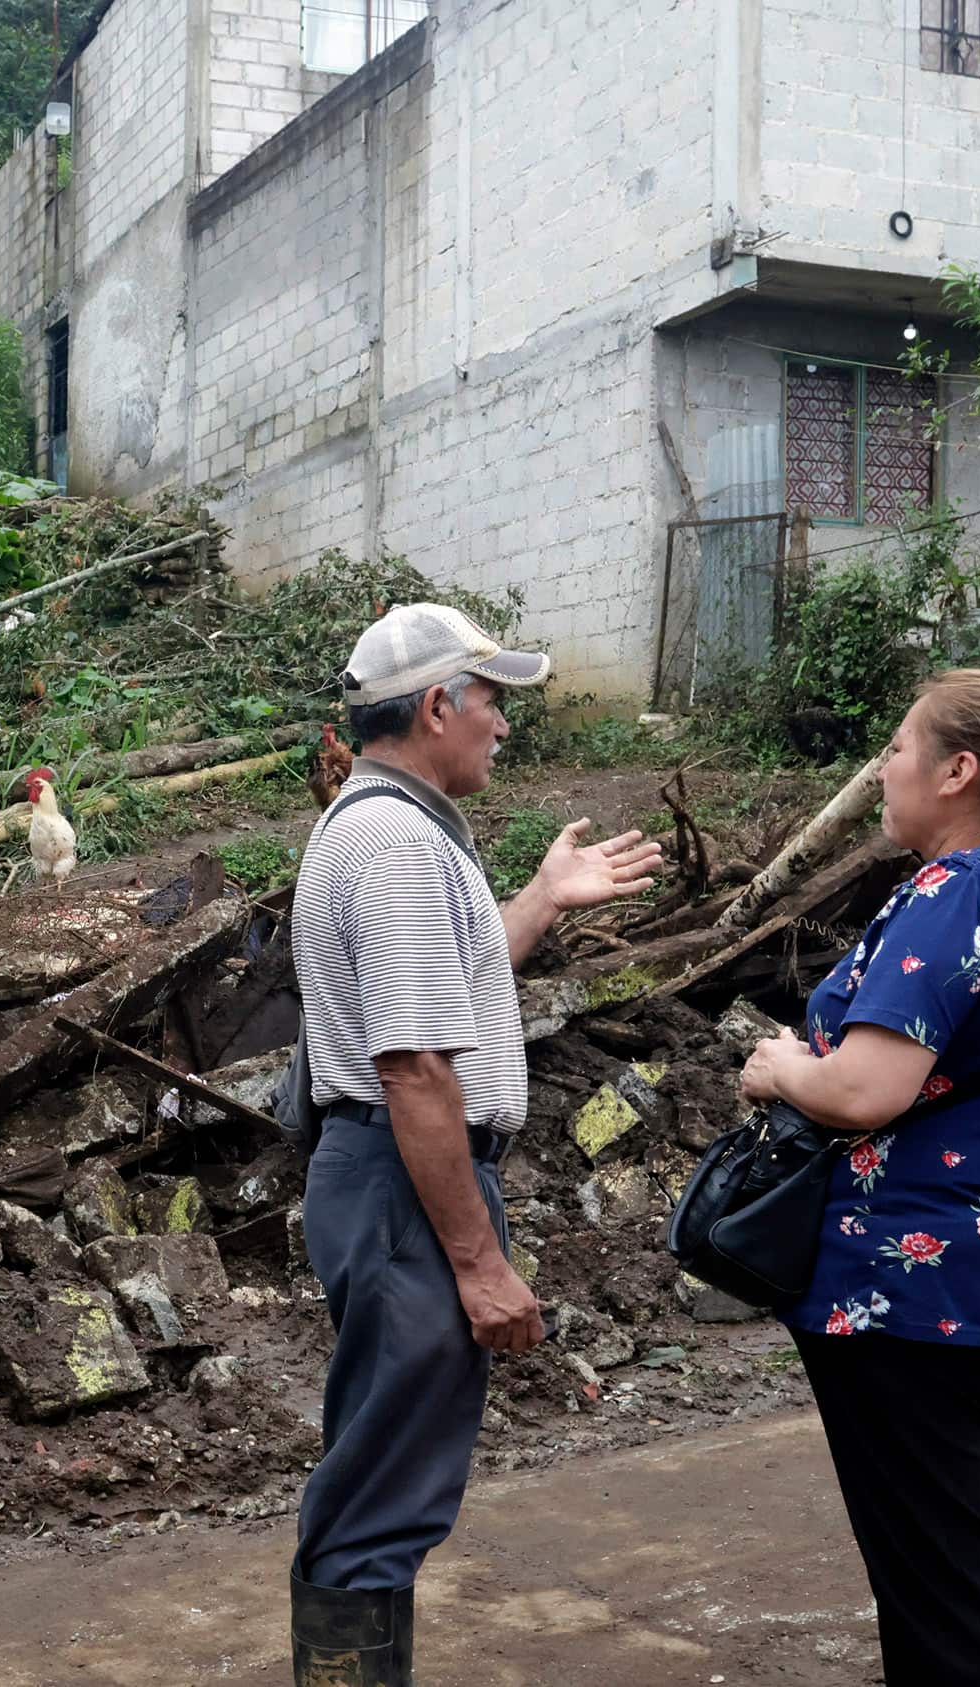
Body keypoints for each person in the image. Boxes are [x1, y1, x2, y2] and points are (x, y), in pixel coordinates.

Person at [287, 603, 664, 1685]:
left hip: (389, 1178)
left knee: (382, 1473)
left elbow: (440, 984)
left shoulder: (386, 827)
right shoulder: (396, 845)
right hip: (405, 1183)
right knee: (379, 1496)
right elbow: (415, 1067)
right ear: (439, 707)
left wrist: (541, 899)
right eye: (493, 700)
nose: (503, 723)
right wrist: (478, 1261)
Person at [735, 669, 980, 1687]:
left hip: (902, 1288)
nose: (882, 771)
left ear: (957, 771)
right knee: (939, 1571)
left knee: (941, 1590)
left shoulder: (962, 890)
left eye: (898, 748)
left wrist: (781, 1069)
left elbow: (866, 1089)